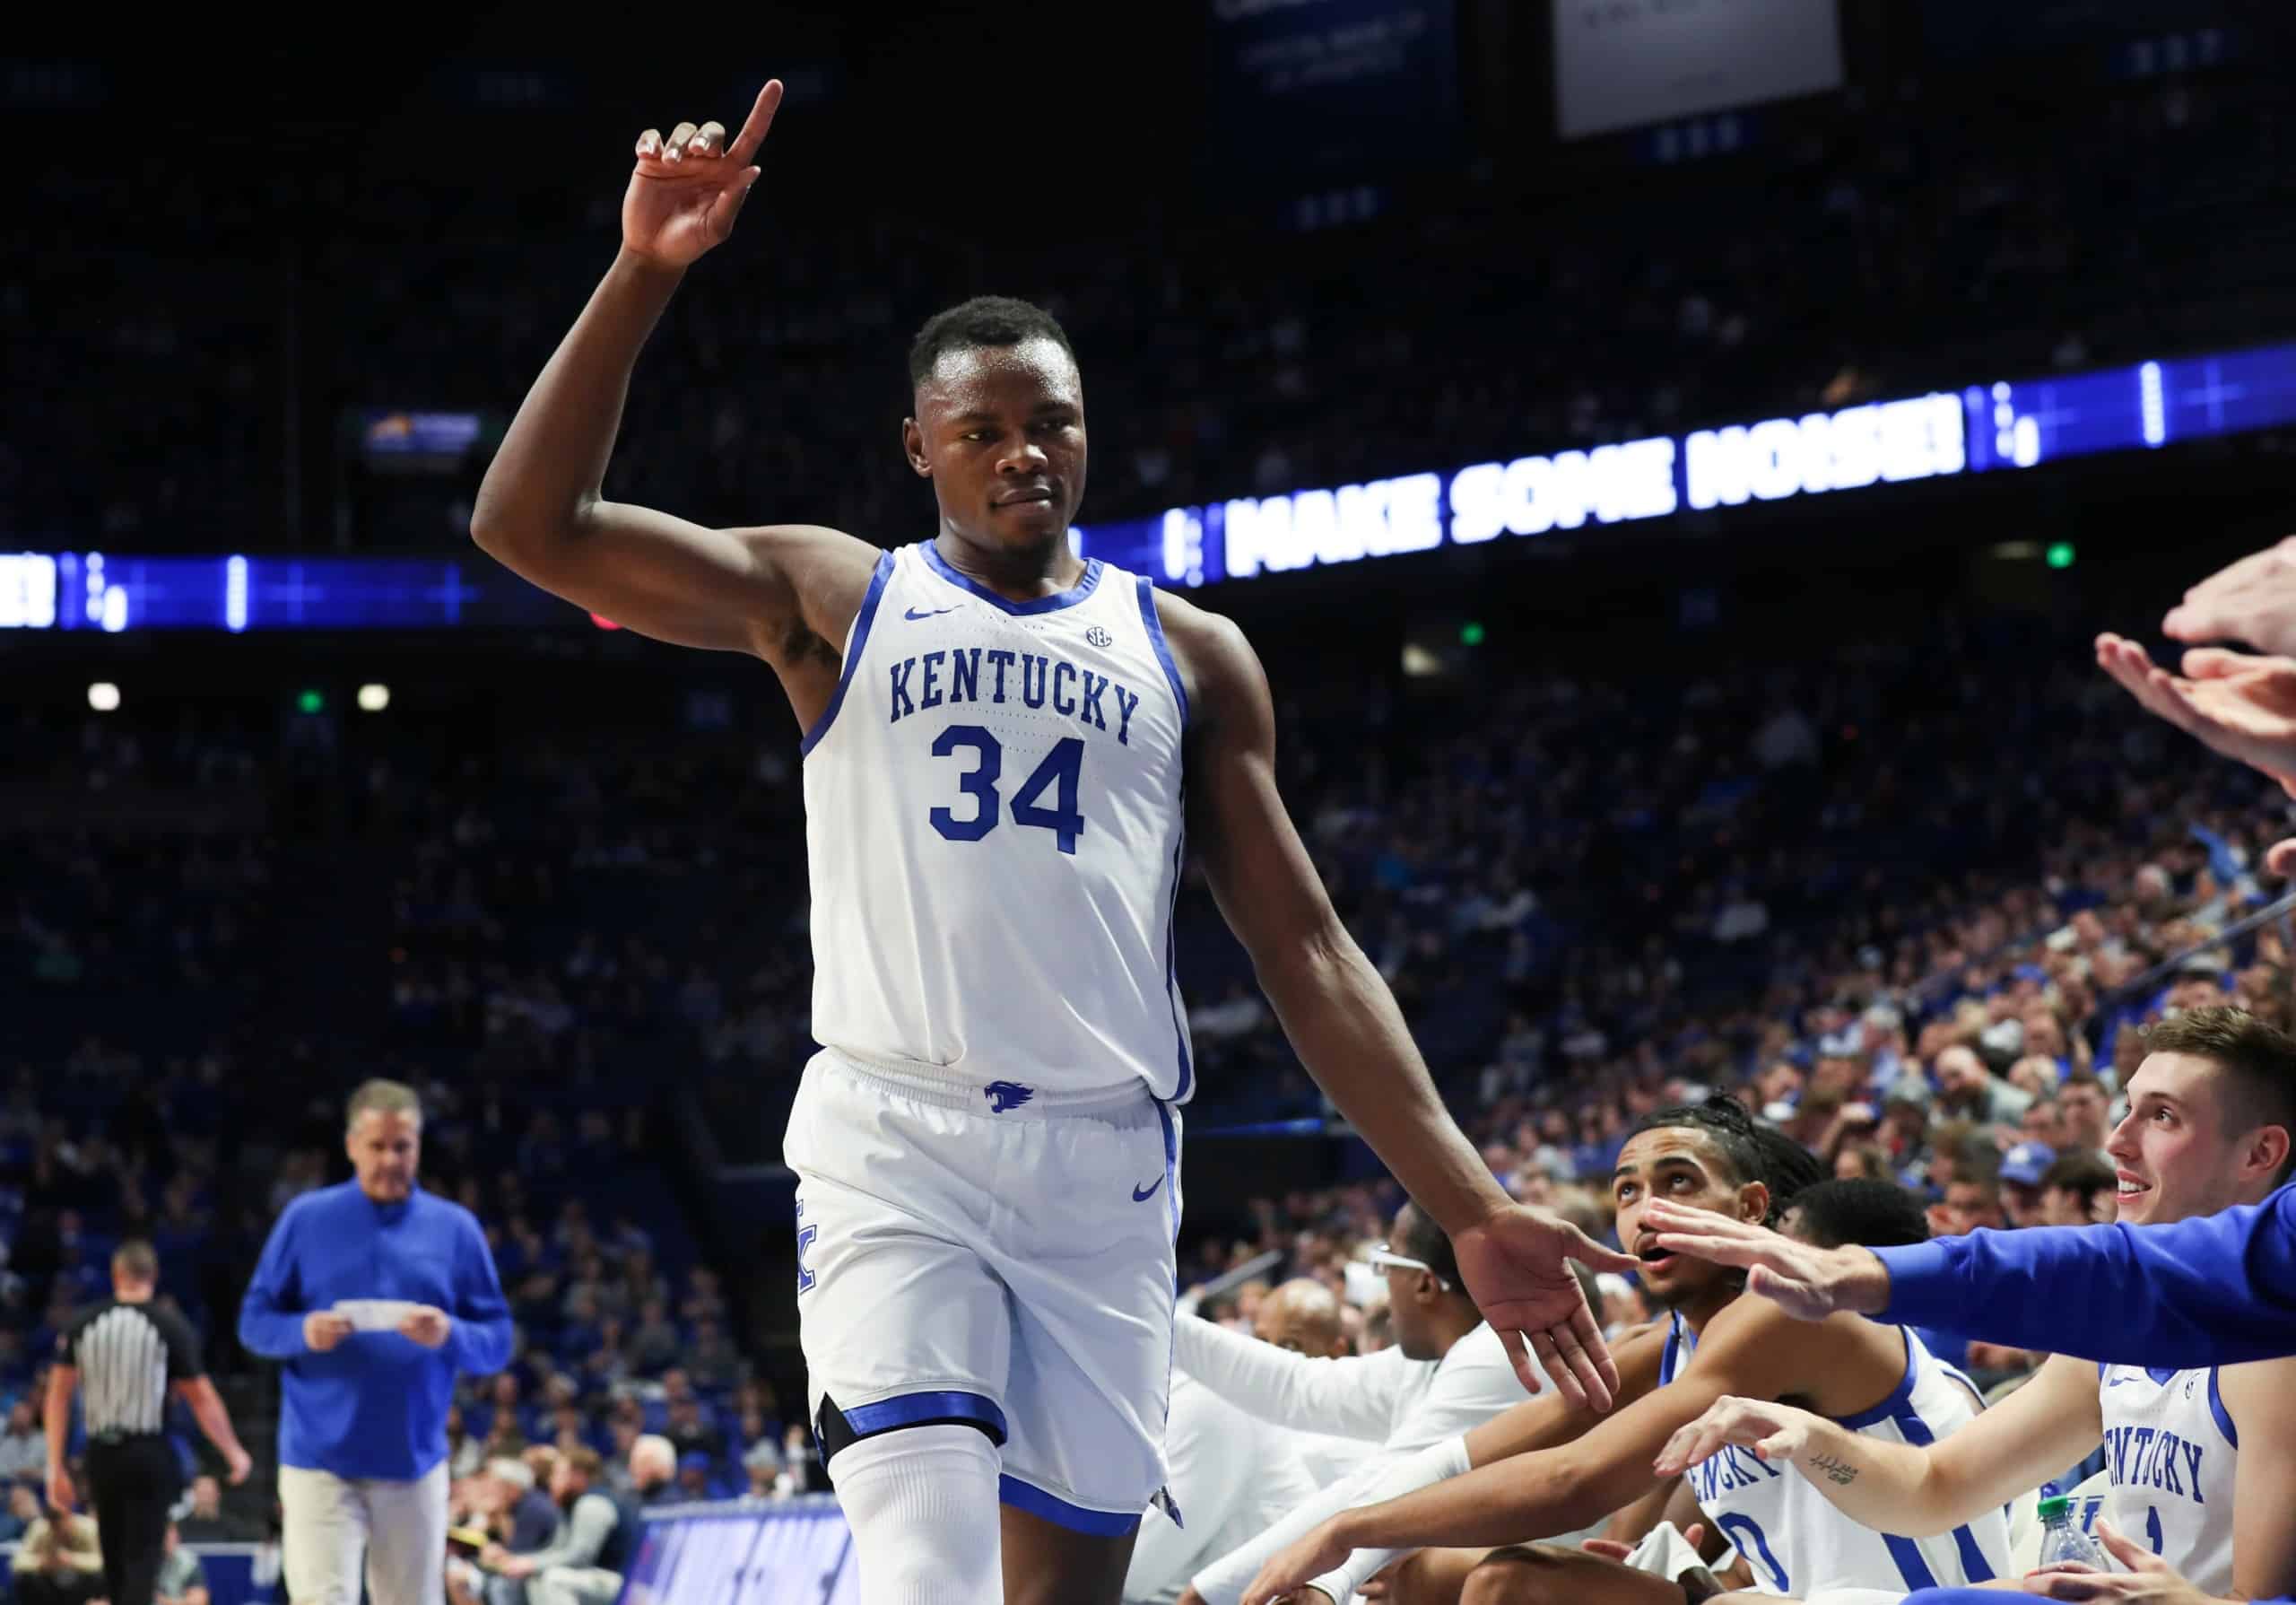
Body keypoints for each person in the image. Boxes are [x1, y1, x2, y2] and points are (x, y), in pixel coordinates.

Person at [470, 78, 1632, 1605]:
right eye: (983, 429)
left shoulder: (1192, 651)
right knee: (924, 1564)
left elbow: (1306, 948)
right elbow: (529, 525)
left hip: (1105, 1163)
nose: (1022, 452)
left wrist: (1472, 1202)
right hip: (898, 1132)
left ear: (1087, 433)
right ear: (920, 447)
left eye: (1050, 423)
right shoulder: (838, 594)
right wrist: (645, 271)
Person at [1655, 1008, 2296, 1601]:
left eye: (2162, 1116)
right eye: (2126, 1110)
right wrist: (1809, 1440)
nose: (2118, 1142)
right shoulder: (2116, 1340)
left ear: (2260, 1153)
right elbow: (1936, 1487)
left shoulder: (2272, 1356)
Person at [1243, 1111, 2010, 1605]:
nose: (1649, 1209)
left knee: (1512, 1586)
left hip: (1925, 1598)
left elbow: (1572, 1481)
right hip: (1794, 1596)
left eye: (1678, 1182)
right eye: (1628, 1190)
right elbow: (1459, 1459)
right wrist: (1333, 1571)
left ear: (1749, 1207)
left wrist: (1345, 1532)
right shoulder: (1664, 1344)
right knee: (1423, 1572)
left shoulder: (1786, 1309)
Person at [1173, 1207, 1574, 1604]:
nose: (1382, 1288)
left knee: (1426, 1572)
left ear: (1425, 1285)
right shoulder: (1429, 1360)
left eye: (1386, 1265)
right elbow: (1295, 1387)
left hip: (1540, 1588)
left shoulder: (1502, 1356)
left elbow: (1381, 1485)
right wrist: (1154, 1316)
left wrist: (1212, 1592)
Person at [239, 1079, 515, 1605]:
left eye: (402, 1147)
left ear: (418, 1147)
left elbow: (497, 1341)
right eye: (377, 1146)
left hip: (414, 1462)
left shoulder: (455, 1229)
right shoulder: (306, 1220)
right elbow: (254, 1323)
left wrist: (450, 1333)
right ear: (350, 1147)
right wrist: (301, 1331)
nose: (390, 1159)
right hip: (318, 1459)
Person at [47, 1240, 251, 1605]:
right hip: (147, 1453)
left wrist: (54, 1466)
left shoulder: (83, 1323)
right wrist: (234, 1452)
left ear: (115, 1276)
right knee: (143, 1558)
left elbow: (57, 1396)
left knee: (113, 1558)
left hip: (100, 1454)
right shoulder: (169, 1325)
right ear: (152, 1277)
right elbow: (202, 1397)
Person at [488, 1445, 645, 1605]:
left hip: (621, 1580)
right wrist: (518, 1561)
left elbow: (580, 1557)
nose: (552, 1480)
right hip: (594, 1577)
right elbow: (558, 1549)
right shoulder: (570, 1504)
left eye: (559, 1474)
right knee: (534, 1577)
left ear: (578, 1476)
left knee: (554, 1578)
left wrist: (532, 1564)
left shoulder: (592, 1503)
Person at [13, 1499, 102, 1605]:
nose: (59, 1528)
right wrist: (42, 1562)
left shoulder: (89, 1527)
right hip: (49, 1579)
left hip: (81, 1578)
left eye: (61, 1521)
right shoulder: (40, 1527)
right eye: (54, 1523)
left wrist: (71, 1559)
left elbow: (101, 1561)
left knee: (98, 1576)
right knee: (23, 1577)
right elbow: (18, 1561)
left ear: (70, 1517)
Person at [176, 1471, 259, 1542]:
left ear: (217, 1494)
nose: (205, 1499)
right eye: (201, 1493)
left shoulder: (233, 1527)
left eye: (208, 1494)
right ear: (193, 1494)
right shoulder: (180, 1527)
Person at [153, 1522, 209, 1605]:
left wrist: (167, 1602)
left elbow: (199, 1600)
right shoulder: (141, 1561)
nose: (168, 1539)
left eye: (172, 1534)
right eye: (165, 1535)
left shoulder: (188, 1562)